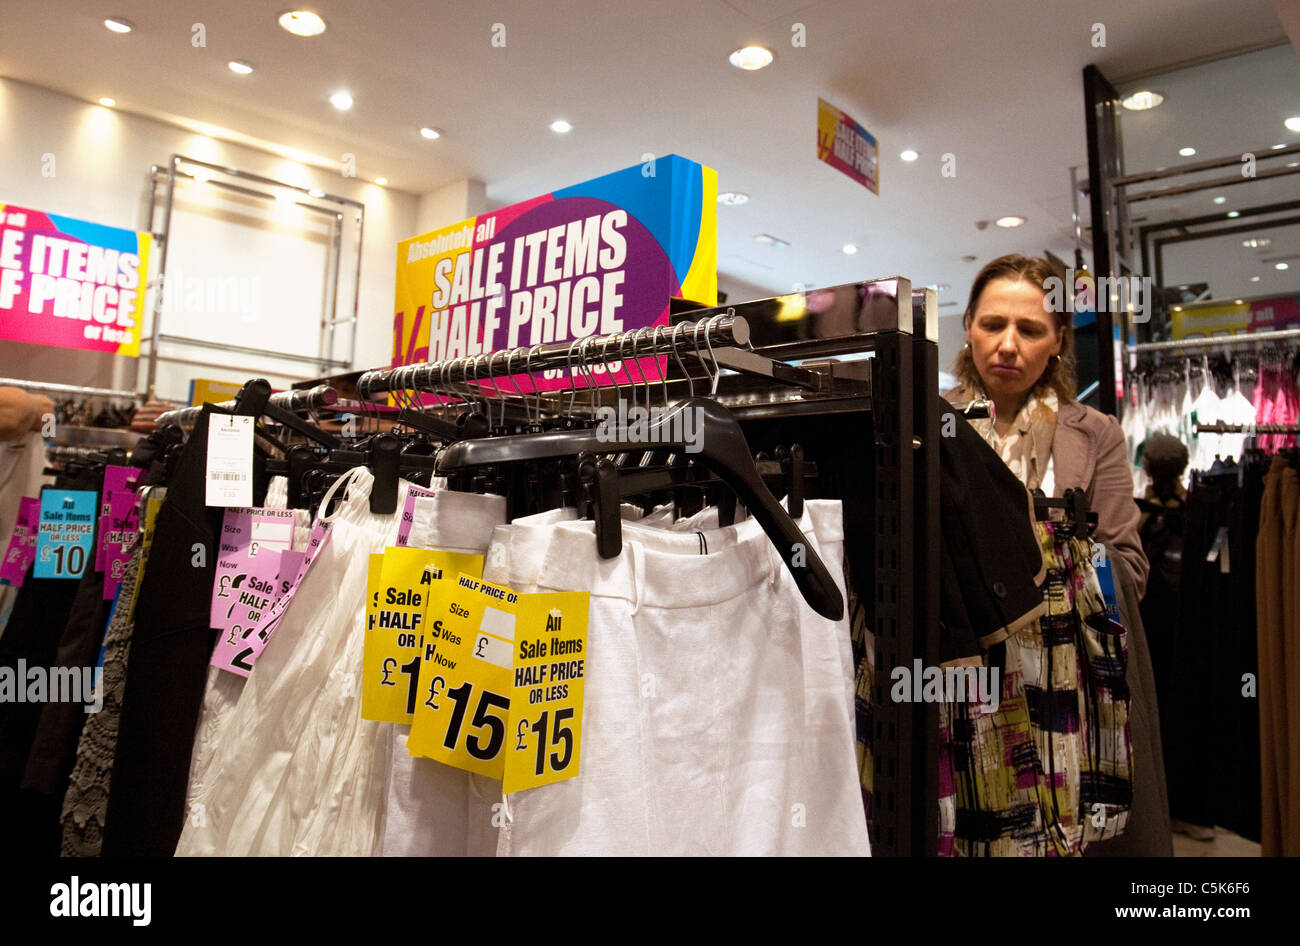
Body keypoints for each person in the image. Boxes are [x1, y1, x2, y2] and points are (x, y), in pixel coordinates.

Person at [944, 254, 1148, 595]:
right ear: (969, 325)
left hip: (1062, 625)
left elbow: (1127, 568)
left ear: (1057, 339)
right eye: (992, 325)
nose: (1008, 346)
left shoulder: (1098, 433)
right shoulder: (927, 422)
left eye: (1030, 330)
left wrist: (1059, 568)